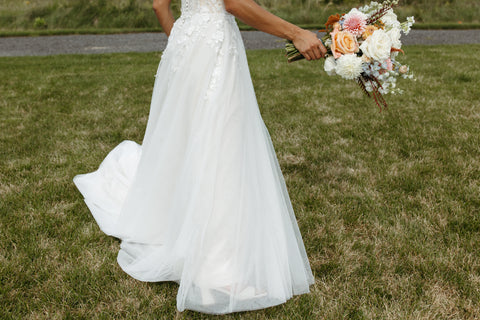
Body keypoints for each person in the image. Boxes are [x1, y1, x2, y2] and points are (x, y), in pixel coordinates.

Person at [73, 0, 327, 315]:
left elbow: (158, 5)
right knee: (223, 145)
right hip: (214, 49)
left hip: (188, 44)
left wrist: (183, 42)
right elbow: (233, 2)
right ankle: (214, 273)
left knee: (195, 142)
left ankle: (192, 233)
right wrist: (296, 32)